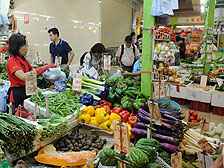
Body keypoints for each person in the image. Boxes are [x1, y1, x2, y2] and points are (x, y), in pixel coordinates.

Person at [7, 33, 55, 109]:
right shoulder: (12, 61)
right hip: (18, 93)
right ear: (16, 46)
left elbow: (32, 71)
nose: (27, 48)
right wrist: (43, 68)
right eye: (24, 45)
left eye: (27, 46)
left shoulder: (23, 59)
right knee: (21, 113)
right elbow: (23, 76)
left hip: (28, 89)